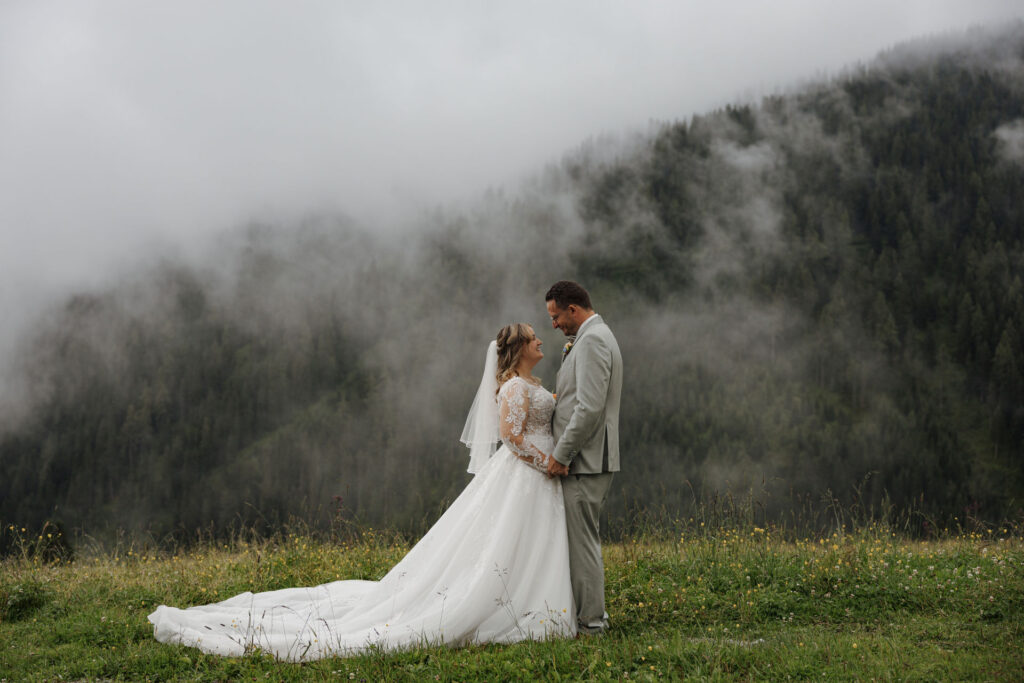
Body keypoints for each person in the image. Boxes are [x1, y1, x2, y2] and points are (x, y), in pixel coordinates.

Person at [148, 323, 575, 661]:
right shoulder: (516, 388)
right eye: (535, 337)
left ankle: (531, 598)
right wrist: (549, 463)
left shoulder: (532, 384)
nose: (542, 340)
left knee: (526, 541)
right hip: (528, 473)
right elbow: (511, 437)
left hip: (537, 478)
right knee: (508, 540)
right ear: (519, 348)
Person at [544, 280, 622, 636]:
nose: (554, 324)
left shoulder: (592, 341)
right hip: (589, 458)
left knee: (583, 544)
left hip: (586, 460)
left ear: (572, 310)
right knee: (582, 540)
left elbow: (589, 408)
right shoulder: (593, 337)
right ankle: (589, 617)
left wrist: (561, 454)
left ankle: (592, 623)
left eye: (556, 316)